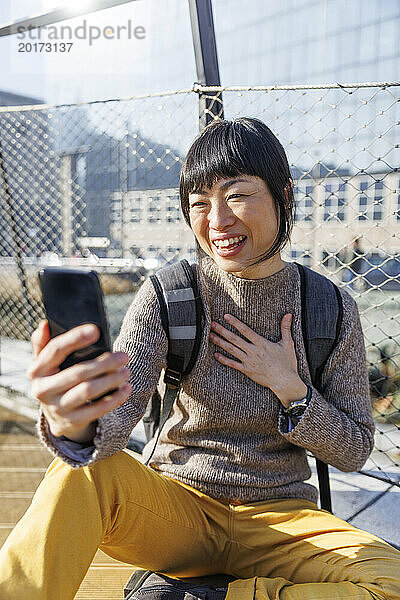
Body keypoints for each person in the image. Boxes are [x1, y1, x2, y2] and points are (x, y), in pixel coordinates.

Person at [1, 118, 399, 600]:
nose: (217, 221)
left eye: (236, 195)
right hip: (178, 511)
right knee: (77, 469)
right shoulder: (171, 295)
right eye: (198, 204)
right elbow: (116, 422)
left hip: (281, 521)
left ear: (285, 196)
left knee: (391, 581)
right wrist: (75, 425)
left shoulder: (328, 306)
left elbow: (355, 449)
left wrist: (291, 389)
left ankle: (217, 595)